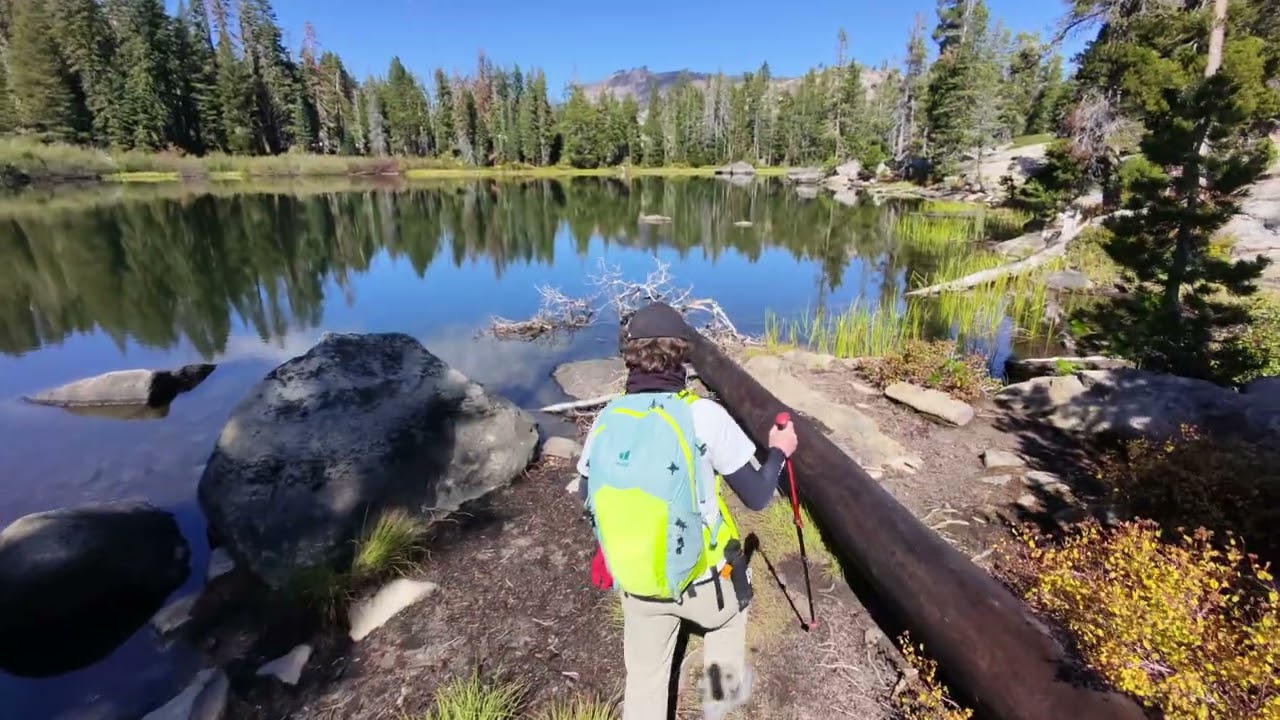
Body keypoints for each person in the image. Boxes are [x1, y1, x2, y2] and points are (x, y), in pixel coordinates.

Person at [574, 301, 798, 720]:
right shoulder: (705, 417)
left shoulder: (606, 419)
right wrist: (779, 454)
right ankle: (719, 705)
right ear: (683, 354)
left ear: (630, 355)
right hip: (705, 583)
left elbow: (586, 494)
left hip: (638, 582)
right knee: (729, 622)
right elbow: (757, 497)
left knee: (644, 676)